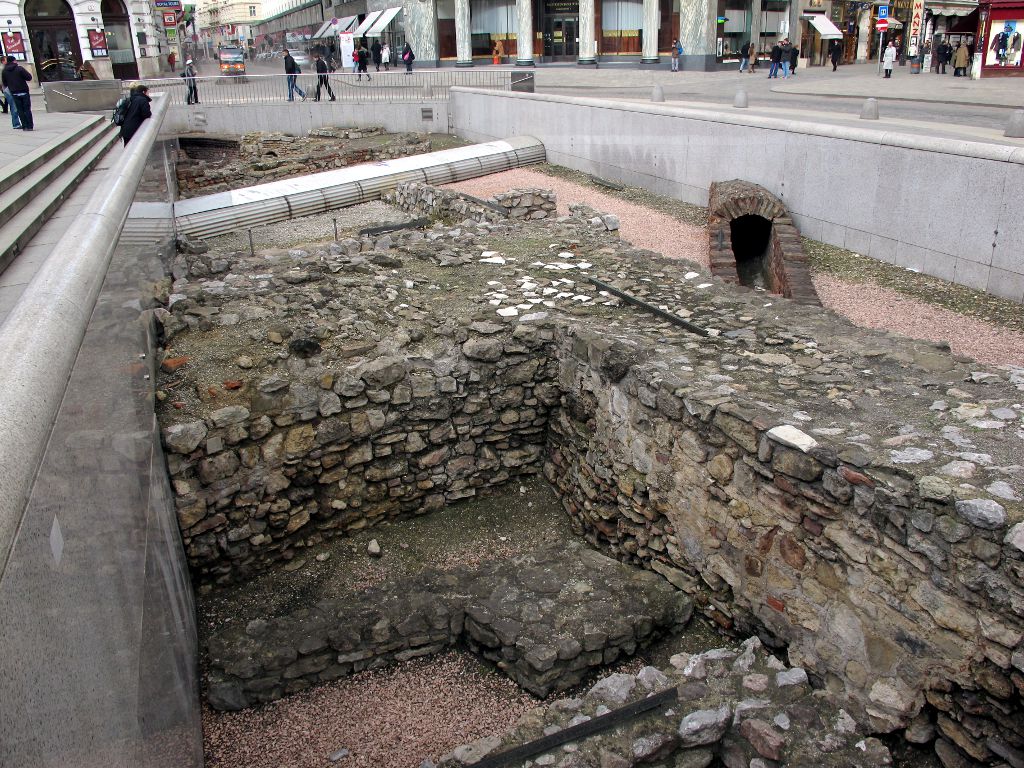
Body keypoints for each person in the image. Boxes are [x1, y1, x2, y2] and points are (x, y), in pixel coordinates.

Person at [2, 56, 33, 131]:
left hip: (14, 92)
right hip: (24, 91)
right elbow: (29, 77)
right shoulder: (19, 68)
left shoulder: (4, 71)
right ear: (14, 61)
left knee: (20, 110)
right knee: (27, 109)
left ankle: (24, 126)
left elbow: (5, 83)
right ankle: (30, 126)